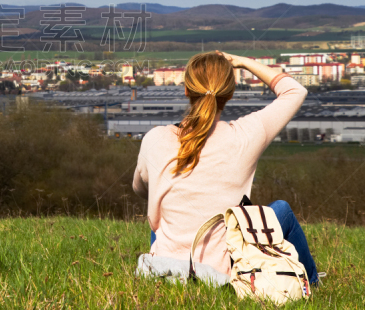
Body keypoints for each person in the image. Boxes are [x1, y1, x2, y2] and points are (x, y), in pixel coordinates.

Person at [132, 51, 319, 284]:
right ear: (230, 94)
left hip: (164, 267)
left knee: (163, 213)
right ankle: (312, 283)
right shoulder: (245, 135)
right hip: (221, 272)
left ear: (186, 90)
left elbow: (140, 188)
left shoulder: (154, 138)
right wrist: (242, 62)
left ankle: (172, 262)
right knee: (281, 209)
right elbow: (295, 91)